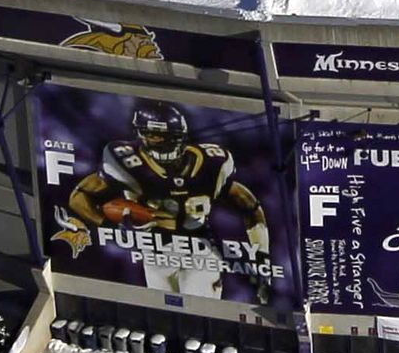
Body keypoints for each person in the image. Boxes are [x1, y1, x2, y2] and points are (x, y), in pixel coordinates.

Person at [49, 104, 274, 301]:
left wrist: (261, 253)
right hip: (153, 253)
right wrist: (109, 226)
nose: (156, 141)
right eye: (150, 135)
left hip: (199, 252)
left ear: (179, 135)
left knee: (198, 312)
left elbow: (249, 205)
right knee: (165, 312)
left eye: (162, 136)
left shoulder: (212, 163)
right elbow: (79, 196)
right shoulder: (127, 161)